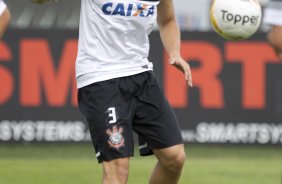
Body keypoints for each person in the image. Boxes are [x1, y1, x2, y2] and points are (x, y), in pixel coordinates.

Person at [32, 0, 193, 183]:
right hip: (101, 78)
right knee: (118, 172)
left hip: (141, 75)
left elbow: (167, 20)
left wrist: (175, 52)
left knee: (174, 158)